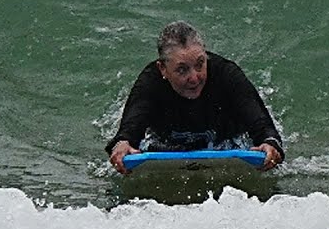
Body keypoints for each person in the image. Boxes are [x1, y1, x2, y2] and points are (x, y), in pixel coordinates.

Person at [107, 21, 283, 173]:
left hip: (226, 138)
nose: (195, 77)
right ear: (163, 69)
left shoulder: (227, 74)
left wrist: (270, 145)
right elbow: (129, 131)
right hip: (167, 143)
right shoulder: (150, 82)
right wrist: (122, 145)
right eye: (182, 69)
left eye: (200, 64)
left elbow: (263, 127)